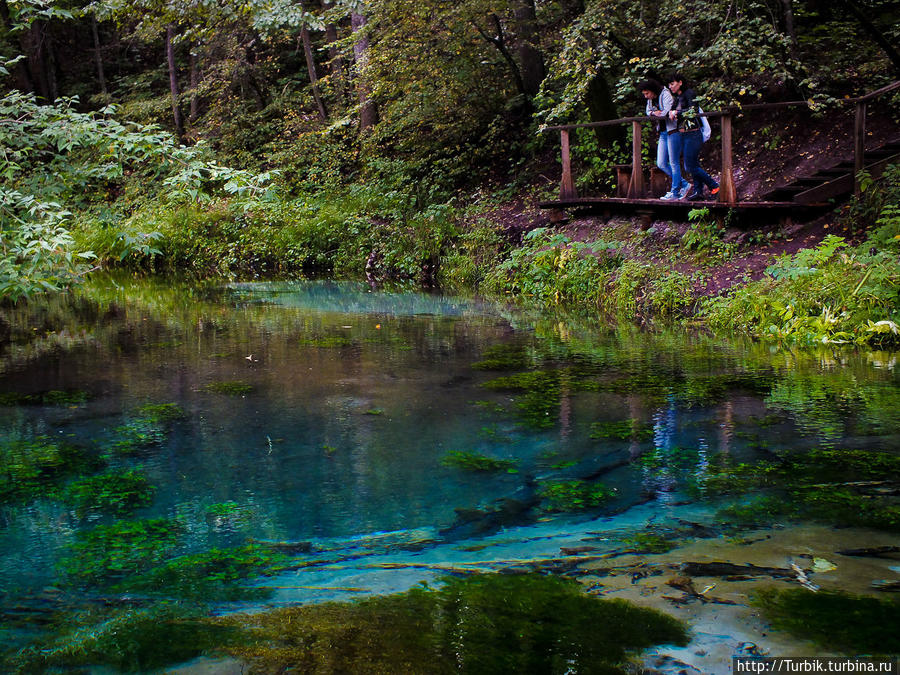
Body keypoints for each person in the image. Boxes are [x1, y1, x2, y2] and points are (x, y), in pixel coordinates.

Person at [667, 73, 719, 201]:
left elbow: (693, 111)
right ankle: (698, 191)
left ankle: (715, 186)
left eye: (672, 83)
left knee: (690, 166)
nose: (670, 87)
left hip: (693, 134)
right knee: (693, 163)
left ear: (680, 82)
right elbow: (672, 112)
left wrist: (677, 112)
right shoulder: (677, 98)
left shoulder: (689, 93)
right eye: (669, 84)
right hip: (684, 134)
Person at [638, 79, 683, 200]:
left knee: (674, 163)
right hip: (663, 132)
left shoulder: (665, 94)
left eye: (647, 93)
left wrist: (658, 113)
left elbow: (666, 112)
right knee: (661, 163)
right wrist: (654, 113)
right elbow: (648, 111)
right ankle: (684, 184)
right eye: (644, 94)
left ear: (652, 91)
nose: (646, 96)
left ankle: (675, 192)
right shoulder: (651, 100)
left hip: (672, 130)